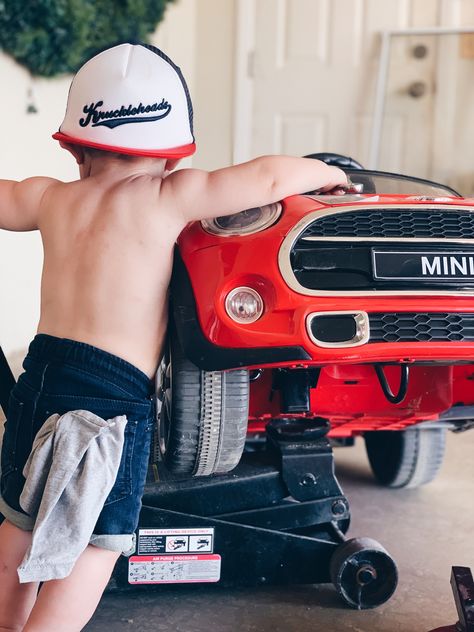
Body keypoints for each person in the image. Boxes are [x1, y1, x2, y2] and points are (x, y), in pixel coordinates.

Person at [0, 42, 347, 631]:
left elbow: (4, 198)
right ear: (171, 149)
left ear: (76, 143)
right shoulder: (169, 196)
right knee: (99, 541)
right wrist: (333, 172)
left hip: (41, 381)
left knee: (19, 518)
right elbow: (266, 176)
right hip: (113, 398)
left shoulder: (51, 197)